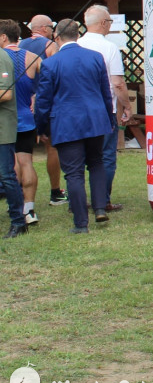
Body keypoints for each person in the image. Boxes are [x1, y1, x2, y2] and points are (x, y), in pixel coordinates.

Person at [34, 19, 114, 234]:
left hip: (66, 123)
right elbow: (106, 93)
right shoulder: (96, 57)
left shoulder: (50, 63)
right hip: (95, 119)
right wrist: (109, 118)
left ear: (56, 37)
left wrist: (40, 127)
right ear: (77, 35)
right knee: (96, 163)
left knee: (74, 173)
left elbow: (43, 101)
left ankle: (81, 223)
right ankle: (99, 208)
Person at [78, 5, 132, 212]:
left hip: (79, 110)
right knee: (106, 156)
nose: (110, 25)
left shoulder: (76, 44)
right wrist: (126, 106)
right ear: (103, 23)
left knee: (80, 157)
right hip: (103, 109)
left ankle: (79, 199)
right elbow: (117, 83)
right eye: (109, 21)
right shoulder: (109, 48)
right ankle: (103, 199)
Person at [19, 14, 66, 206]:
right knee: (52, 147)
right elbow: (55, 75)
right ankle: (55, 192)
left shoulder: (19, 46)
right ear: (45, 29)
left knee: (22, 152)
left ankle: (21, 196)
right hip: (45, 102)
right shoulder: (50, 46)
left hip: (23, 102)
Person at [1, 20, 41, 226]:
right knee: (26, 162)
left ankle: (14, 207)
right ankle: (29, 208)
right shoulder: (34, 57)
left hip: (5, 119)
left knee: (9, 166)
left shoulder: (1, 58)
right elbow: (44, 85)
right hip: (26, 116)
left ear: (4, 37)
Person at [1, 30, 28, 239]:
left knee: (7, 176)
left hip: (3, 128)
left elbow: (6, 93)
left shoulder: (2, 57)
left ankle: (19, 221)